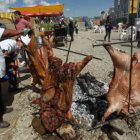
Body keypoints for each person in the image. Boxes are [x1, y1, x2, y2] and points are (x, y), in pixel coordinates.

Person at [0, 27, 31, 128]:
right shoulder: (10, 44)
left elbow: (11, 57)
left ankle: (2, 109)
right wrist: (11, 68)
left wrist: (13, 65)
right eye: (23, 45)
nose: (23, 48)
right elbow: (5, 55)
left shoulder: (15, 47)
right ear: (19, 41)